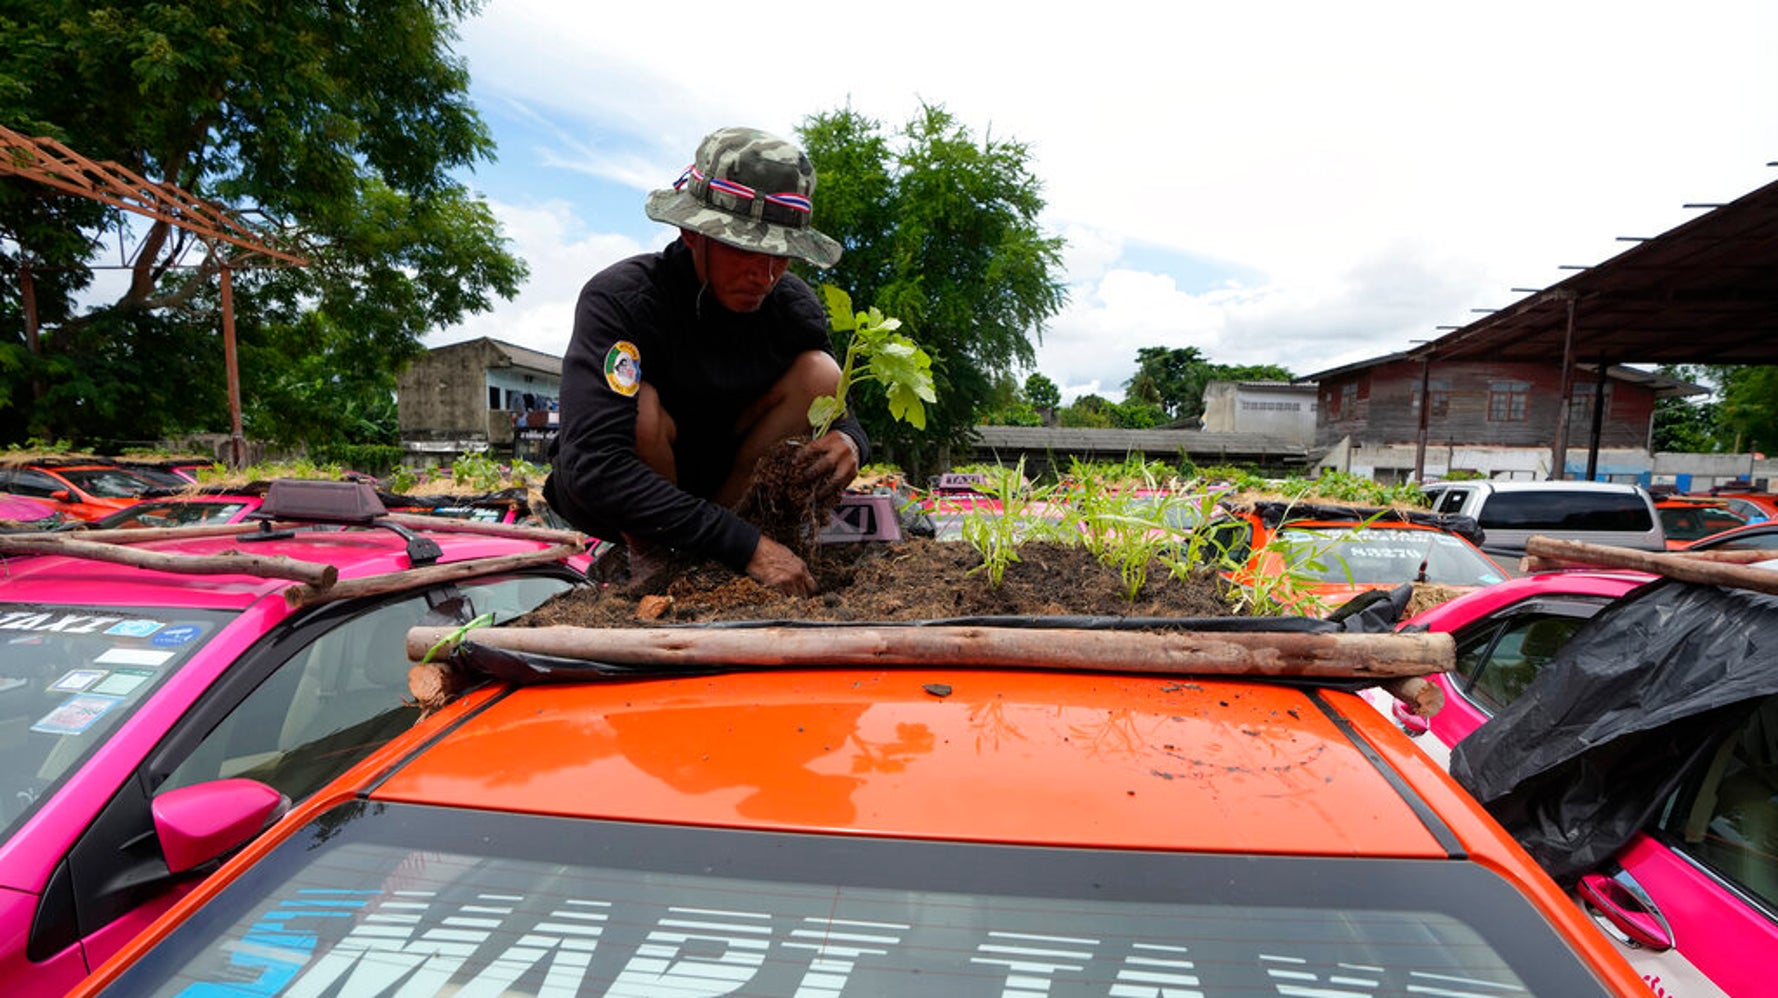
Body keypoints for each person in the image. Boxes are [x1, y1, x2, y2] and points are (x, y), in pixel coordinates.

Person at [544, 126, 869, 596]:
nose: (765, 275)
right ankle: (657, 557)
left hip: (729, 488)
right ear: (692, 233)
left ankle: (715, 551)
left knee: (821, 374)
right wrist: (747, 548)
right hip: (629, 499)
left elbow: (838, 414)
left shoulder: (793, 308)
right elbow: (595, 466)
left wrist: (852, 441)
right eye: (745, 249)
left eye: (780, 255)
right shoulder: (622, 301)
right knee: (640, 409)